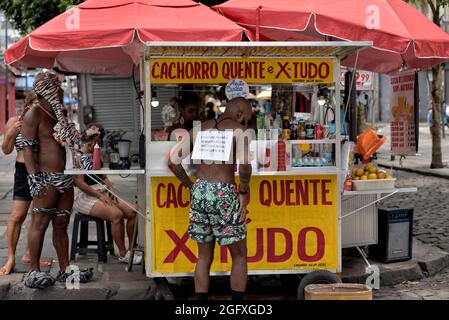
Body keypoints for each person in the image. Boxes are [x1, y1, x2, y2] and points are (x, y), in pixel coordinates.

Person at [168, 97, 253, 300]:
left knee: (204, 256)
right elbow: (245, 167)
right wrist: (242, 192)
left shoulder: (200, 128)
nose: (245, 124)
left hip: (200, 190)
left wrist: (190, 185)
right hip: (225, 193)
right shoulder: (238, 131)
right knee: (239, 255)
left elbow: (173, 161)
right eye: (246, 120)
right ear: (240, 114)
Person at [21, 72, 93, 289]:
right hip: (46, 178)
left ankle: (65, 270)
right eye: (58, 87)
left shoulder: (58, 113)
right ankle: (34, 272)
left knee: (61, 223)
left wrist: (81, 136)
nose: (61, 91)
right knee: (40, 223)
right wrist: (34, 178)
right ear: (48, 90)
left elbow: (70, 143)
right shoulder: (34, 112)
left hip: (65, 177)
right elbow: (27, 148)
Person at [72, 124, 141, 265]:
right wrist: (99, 196)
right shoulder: (78, 156)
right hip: (84, 196)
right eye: (92, 141)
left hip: (102, 191)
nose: (94, 144)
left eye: (97, 141)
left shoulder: (97, 153)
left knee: (133, 211)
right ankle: (122, 253)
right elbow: (80, 183)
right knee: (116, 215)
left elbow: (103, 177)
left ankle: (132, 250)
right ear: (86, 139)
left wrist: (111, 187)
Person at [0, 93, 50, 276]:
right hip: (22, 171)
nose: (38, 108)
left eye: (41, 105)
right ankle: (11, 257)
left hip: (42, 171)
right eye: (35, 105)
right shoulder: (15, 121)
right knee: (16, 216)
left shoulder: (45, 121)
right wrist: (12, 133)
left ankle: (29, 255)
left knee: (37, 216)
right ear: (28, 105)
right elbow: (5, 150)